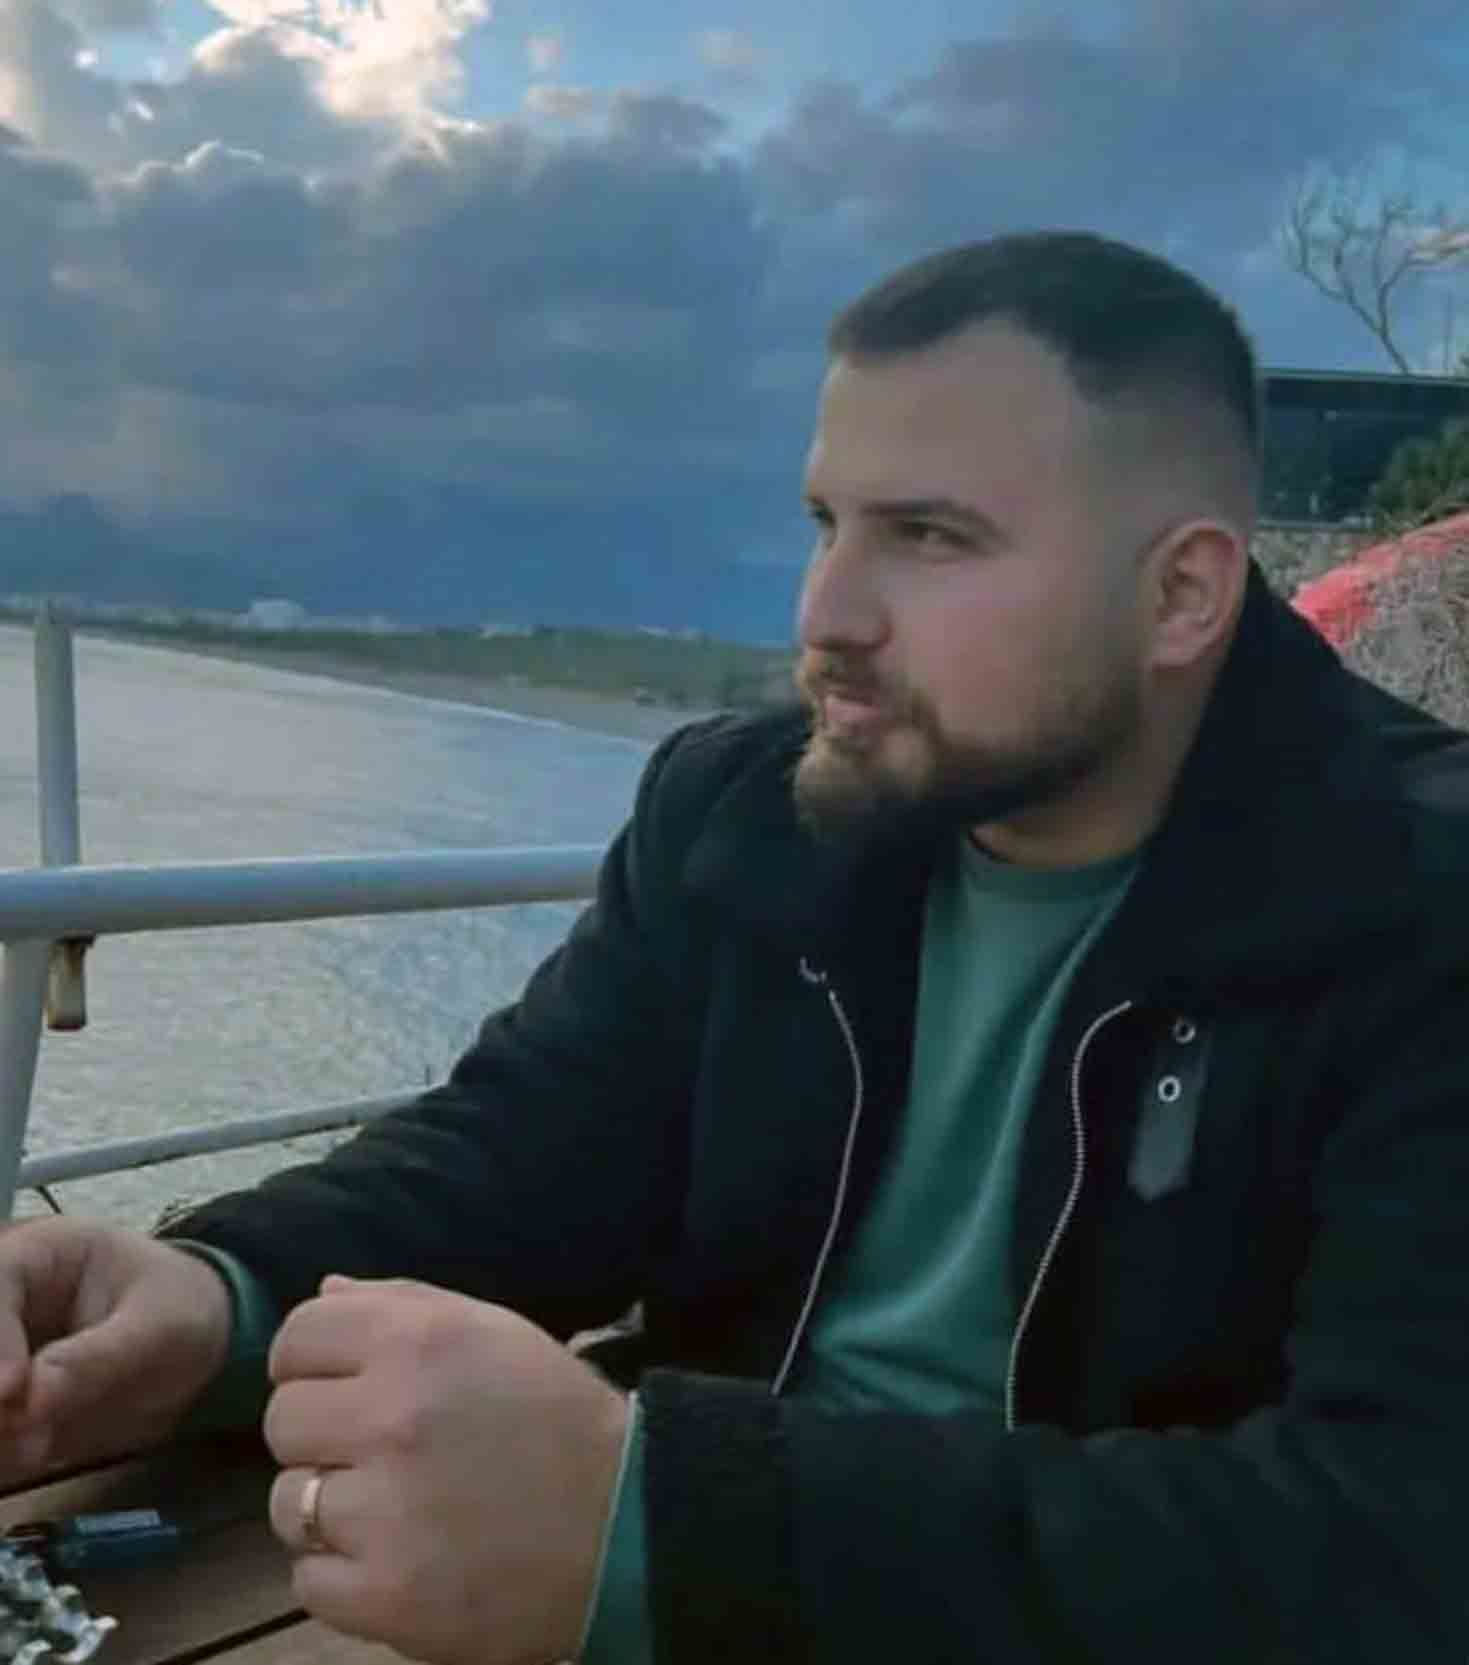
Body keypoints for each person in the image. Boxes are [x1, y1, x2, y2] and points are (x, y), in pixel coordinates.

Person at [2, 230, 1468, 1665]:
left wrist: (668, 1529)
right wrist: (210, 1295)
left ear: (1180, 594)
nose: (826, 615)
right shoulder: (753, 819)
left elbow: (1399, 1542)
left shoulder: (1416, 904)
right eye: (827, 524)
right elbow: (527, 1152)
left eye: (930, 537)